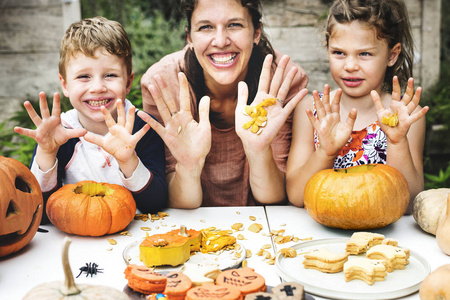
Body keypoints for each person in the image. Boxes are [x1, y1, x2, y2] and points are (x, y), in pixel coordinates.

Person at [138, 0, 309, 208]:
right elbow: (178, 202)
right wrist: (188, 167)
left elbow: (274, 198)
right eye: (206, 27)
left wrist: (259, 151)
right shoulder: (164, 83)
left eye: (234, 25)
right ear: (189, 37)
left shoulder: (281, 83)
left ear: (256, 32)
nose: (220, 41)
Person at [14, 17, 168, 223]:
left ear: (129, 81)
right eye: (83, 77)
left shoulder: (142, 128)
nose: (97, 87)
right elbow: (39, 212)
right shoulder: (59, 134)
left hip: (137, 239)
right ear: (65, 84)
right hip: (74, 241)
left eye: (110, 75)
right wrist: (47, 153)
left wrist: (128, 161)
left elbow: (156, 204)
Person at [286, 0, 429, 213]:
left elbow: (409, 203)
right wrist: (325, 152)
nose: (350, 65)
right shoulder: (312, 111)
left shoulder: (407, 115)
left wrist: (397, 141)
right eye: (339, 53)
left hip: (383, 238)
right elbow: (297, 196)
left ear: (392, 55)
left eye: (365, 54)